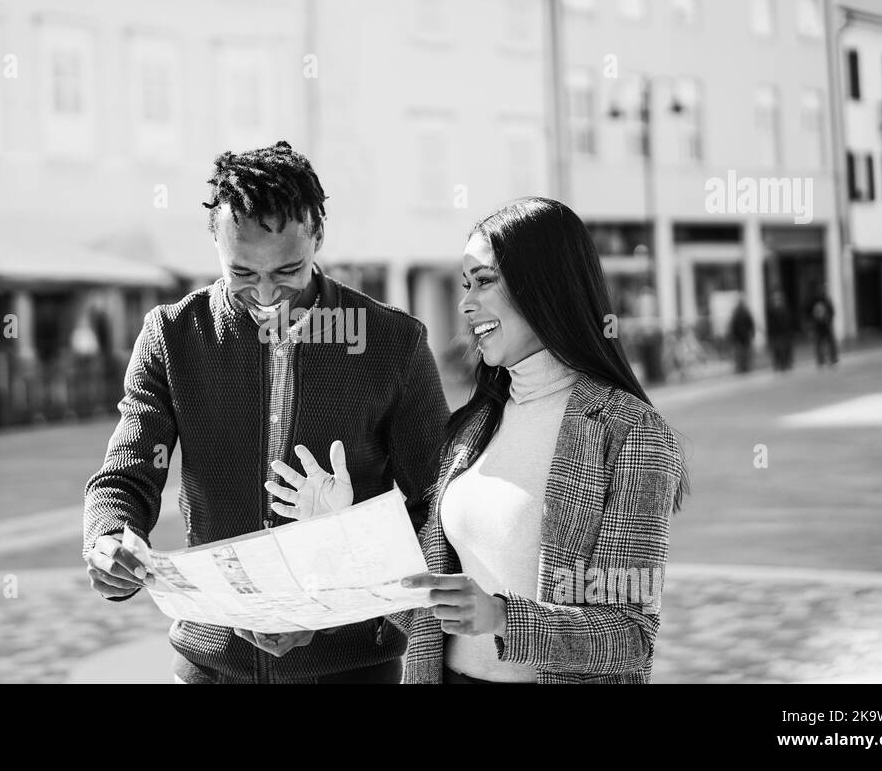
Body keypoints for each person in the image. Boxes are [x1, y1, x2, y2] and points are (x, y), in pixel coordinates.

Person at [271, 197, 687, 684]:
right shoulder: (473, 429)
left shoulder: (628, 430)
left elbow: (632, 637)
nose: (466, 304)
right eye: (465, 285)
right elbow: (424, 611)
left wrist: (502, 617)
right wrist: (344, 528)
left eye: (484, 282)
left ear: (545, 285)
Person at [81, 141, 449, 684]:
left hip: (352, 664)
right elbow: (126, 477)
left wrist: (332, 605)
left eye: (288, 270)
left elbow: (435, 507)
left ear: (318, 235)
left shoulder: (392, 342)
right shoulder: (172, 336)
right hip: (211, 663)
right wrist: (111, 535)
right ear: (214, 244)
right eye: (243, 274)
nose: (268, 295)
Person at [808, 286, 838, 367]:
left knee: (829, 342)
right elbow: (808, 312)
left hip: (826, 324)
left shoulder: (826, 300)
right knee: (819, 343)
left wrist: (828, 319)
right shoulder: (814, 301)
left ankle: (832, 359)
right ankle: (822, 360)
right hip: (818, 325)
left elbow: (832, 311)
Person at [765, 289, 794, 372]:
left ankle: (786, 364)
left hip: (785, 332)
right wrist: (769, 333)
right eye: (775, 297)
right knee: (777, 349)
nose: (776, 299)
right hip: (776, 333)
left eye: (778, 297)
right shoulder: (771, 309)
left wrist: (790, 331)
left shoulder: (785, 308)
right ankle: (778, 364)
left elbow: (789, 320)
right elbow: (770, 323)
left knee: (785, 348)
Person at [728, 298, 755, 374]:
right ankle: (743, 366)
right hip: (742, 336)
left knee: (743, 352)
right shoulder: (742, 313)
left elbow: (750, 324)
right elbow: (750, 324)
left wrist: (752, 333)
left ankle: (743, 366)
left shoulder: (740, 313)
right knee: (742, 352)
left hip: (742, 336)